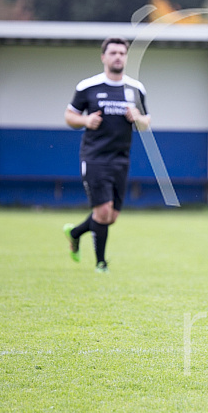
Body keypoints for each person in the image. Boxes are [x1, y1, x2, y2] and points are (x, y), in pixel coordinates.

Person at [62, 37, 151, 273]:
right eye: (113, 53)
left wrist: (138, 118)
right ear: (104, 57)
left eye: (122, 53)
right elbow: (70, 116)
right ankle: (101, 263)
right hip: (94, 156)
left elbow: (146, 122)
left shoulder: (135, 89)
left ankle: (75, 233)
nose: (118, 57)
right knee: (102, 211)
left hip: (121, 158)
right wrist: (85, 120)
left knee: (111, 216)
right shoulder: (88, 87)